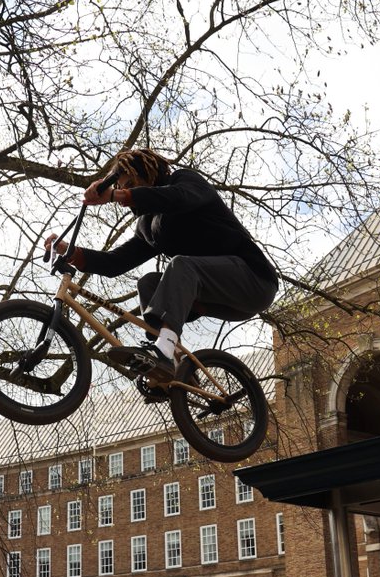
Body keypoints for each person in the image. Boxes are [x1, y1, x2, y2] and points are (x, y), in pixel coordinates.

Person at [43, 148, 279, 401]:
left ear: (148, 173)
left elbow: (177, 198)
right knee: (149, 282)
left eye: (132, 184)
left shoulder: (184, 182)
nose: (126, 195)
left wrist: (115, 194)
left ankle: (163, 351)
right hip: (216, 298)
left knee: (180, 265)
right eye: (124, 187)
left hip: (254, 280)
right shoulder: (148, 225)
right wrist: (70, 251)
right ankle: (174, 367)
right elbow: (115, 263)